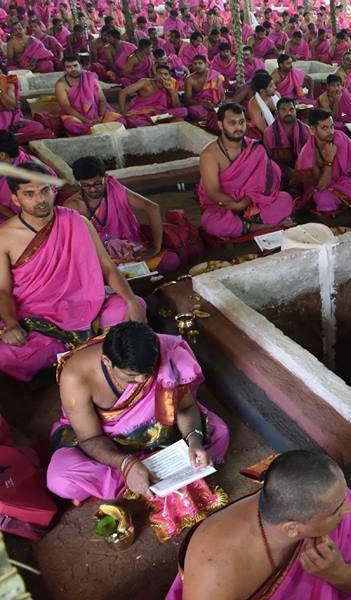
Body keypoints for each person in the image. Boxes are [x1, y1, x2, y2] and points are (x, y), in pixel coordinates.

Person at [46, 322, 229, 533]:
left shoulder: (165, 353)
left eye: (148, 372)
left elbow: (186, 407)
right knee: (60, 479)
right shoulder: (76, 377)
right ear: (107, 362)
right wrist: (126, 464)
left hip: (160, 429)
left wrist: (194, 440)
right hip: (107, 441)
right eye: (131, 376)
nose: (142, 380)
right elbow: (90, 439)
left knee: (219, 431)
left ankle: (146, 476)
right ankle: (152, 473)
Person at [166, 450, 351, 600]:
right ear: (293, 529)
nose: (347, 508)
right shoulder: (217, 566)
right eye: (337, 509)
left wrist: (338, 573)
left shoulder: (328, 500)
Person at [0, 163, 145, 382]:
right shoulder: (4, 237)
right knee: (7, 356)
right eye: (29, 194)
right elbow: (2, 290)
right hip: (38, 316)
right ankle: (97, 351)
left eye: (45, 190)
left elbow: (107, 267)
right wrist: (11, 325)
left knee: (133, 307)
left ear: (54, 190)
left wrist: (131, 300)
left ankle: (66, 357)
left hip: (85, 305)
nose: (40, 199)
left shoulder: (77, 221)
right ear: (15, 199)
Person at [63, 156, 179, 274]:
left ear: (106, 178)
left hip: (131, 250)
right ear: (79, 183)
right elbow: (71, 243)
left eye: (97, 183)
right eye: (86, 185)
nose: (92, 189)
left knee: (170, 260)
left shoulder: (114, 190)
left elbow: (152, 208)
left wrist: (155, 248)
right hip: (100, 259)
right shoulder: (72, 206)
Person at [198, 104, 295, 239]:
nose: (238, 127)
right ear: (220, 125)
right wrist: (235, 205)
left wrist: (245, 202)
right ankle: (261, 226)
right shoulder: (209, 155)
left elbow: (264, 184)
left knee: (285, 200)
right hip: (224, 205)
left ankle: (245, 225)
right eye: (232, 123)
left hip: (251, 201)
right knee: (212, 223)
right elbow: (213, 192)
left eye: (241, 122)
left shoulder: (255, 148)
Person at [56, 54, 125, 136]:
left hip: (96, 111)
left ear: (81, 66)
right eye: (68, 67)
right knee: (70, 124)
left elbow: (102, 99)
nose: (73, 69)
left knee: (120, 120)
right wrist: (85, 120)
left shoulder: (90, 77)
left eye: (75, 65)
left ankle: (93, 129)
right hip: (77, 115)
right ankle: (92, 129)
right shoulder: (61, 84)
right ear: (64, 69)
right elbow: (66, 106)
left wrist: (101, 116)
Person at [118, 63, 188, 128]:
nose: (162, 77)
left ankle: (154, 125)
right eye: (159, 74)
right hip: (141, 115)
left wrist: (171, 91)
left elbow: (177, 107)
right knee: (134, 121)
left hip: (158, 116)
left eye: (165, 74)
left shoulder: (171, 85)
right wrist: (122, 114)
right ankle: (159, 125)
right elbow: (123, 93)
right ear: (155, 75)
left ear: (169, 76)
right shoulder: (145, 82)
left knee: (184, 111)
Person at [0, 70, 55, 143]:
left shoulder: (8, 81)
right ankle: (9, 139)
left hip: (13, 123)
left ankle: (9, 138)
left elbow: (12, 106)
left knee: (38, 127)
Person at [263, 98, 312, 176]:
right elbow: (268, 159)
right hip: (279, 171)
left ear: (296, 111)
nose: (288, 113)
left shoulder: (306, 130)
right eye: (283, 110)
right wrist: (286, 170)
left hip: (302, 169)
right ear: (277, 113)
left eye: (291, 109)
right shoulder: (269, 133)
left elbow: (310, 154)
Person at [183, 55, 225, 126]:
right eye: (195, 64)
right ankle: (213, 120)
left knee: (229, 105)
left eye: (200, 63)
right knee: (192, 110)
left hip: (215, 104)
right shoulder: (189, 79)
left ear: (206, 64)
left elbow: (222, 93)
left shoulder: (215, 75)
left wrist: (220, 103)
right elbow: (188, 99)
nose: (197, 66)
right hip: (200, 104)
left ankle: (214, 119)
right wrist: (203, 104)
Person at [246, 71, 280, 140]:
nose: (275, 87)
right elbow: (264, 130)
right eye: (271, 86)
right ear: (262, 90)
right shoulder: (254, 105)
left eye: (273, 84)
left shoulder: (276, 95)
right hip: (264, 134)